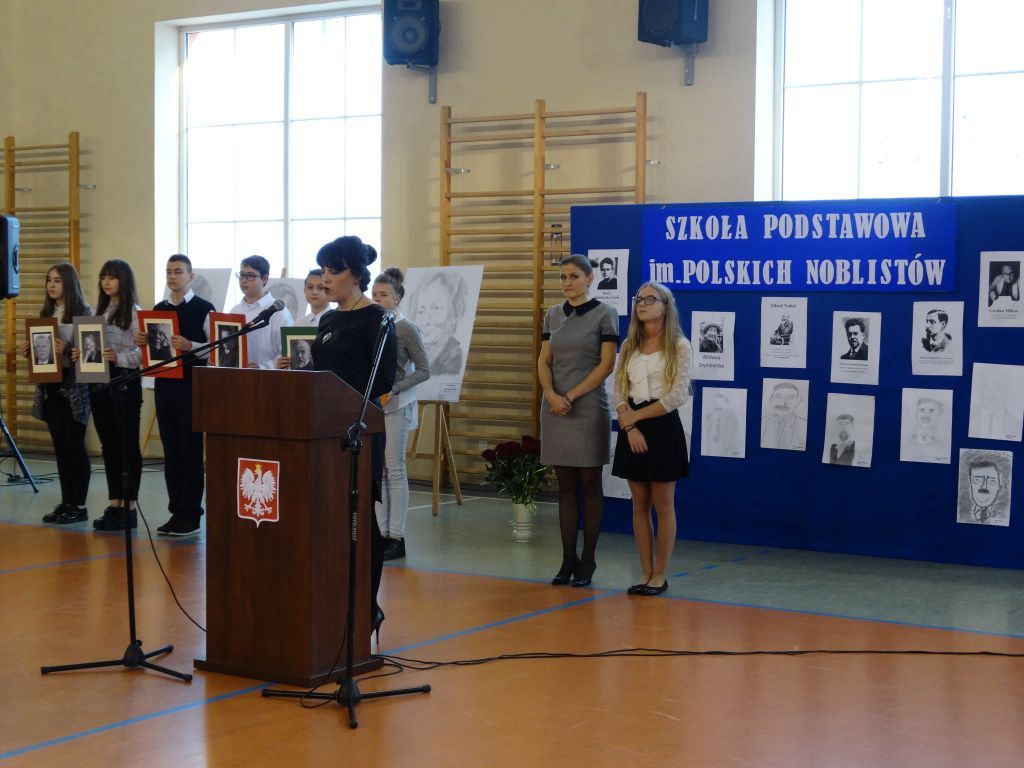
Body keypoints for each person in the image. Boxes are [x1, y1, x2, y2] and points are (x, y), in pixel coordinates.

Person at [310, 236, 397, 642]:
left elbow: (383, 379)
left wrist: (343, 404)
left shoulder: (378, 320)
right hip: (323, 433)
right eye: (323, 270)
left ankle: (368, 605)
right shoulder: (327, 321)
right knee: (330, 518)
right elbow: (322, 376)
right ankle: (334, 604)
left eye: (334, 271)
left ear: (357, 275)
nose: (325, 278)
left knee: (361, 519)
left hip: (360, 431)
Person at [538, 254, 618, 587]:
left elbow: (606, 365)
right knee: (566, 487)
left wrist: (570, 396)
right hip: (555, 407)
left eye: (573, 276)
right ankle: (567, 558)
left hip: (586, 408)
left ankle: (588, 559)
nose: (567, 282)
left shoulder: (605, 313)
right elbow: (544, 361)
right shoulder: (553, 314)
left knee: (590, 484)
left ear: (589, 279)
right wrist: (552, 395)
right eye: (563, 277)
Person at [612, 282, 691, 597]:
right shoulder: (629, 343)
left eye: (649, 299)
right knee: (639, 504)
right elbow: (619, 390)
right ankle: (645, 572)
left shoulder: (679, 345)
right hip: (632, 429)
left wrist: (635, 418)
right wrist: (630, 426)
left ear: (665, 305)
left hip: (661, 427)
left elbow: (677, 395)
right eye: (638, 299)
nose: (642, 304)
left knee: (663, 505)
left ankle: (660, 574)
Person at [134, 254, 215, 537]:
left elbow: (215, 346)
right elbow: (155, 350)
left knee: (189, 451)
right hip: (165, 385)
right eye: (168, 271)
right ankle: (176, 511)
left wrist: (190, 345)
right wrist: (142, 340)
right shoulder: (159, 309)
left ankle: (191, 515)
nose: (172, 276)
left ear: (190, 276)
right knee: (171, 452)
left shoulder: (204, 308)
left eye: (178, 271)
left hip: (191, 386)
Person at [72, 258, 143, 532]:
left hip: (124, 383)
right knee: (108, 445)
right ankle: (115, 503)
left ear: (124, 280)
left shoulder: (135, 313)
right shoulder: (99, 312)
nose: (106, 282)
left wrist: (118, 357)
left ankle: (130, 507)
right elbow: (91, 347)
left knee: (127, 444)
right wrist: (80, 353)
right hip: (99, 382)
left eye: (112, 277)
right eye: (103, 277)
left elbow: (143, 355)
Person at [19, 263, 92, 524]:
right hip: (51, 388)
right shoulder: (47, 313)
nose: (51, 285)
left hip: (73, 391)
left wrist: (69, 349)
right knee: (60, 448)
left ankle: (79, 504)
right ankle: (66, 501)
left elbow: (90, 356)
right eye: (49, 280)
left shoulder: (83, 313)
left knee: (75, 447)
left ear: (69, 283)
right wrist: (32, 351)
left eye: (58, 280)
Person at [371, 267, 432, 561]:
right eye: (374, 294)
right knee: (379, 470)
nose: (378, 299)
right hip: (374, 405)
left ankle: (396, 535)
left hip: (398, 404)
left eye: (384, 294)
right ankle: (381, 532)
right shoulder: (372, 324)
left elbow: (424, 370)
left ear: (397, 298)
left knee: (395, 469)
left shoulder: (406, 328)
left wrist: (395, 388)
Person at [228, 255, 293, 369]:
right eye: (242, 275)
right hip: (237, 375)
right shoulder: (235, 310)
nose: (244, 280)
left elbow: (287, 352)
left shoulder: (277, 311)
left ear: (265, 279)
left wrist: (263, 367)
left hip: (268, 377)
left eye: (250, 276)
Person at [408, 270, 466, 375]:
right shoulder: (411, 349)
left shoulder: (452, 355)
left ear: (454, 315)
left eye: (436, 309)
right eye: (421, 311)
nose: (425, 321)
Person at [275, 268, 332, 370]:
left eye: (320, 287)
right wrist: (283, 364)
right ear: (304, 290)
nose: (314, 292)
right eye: (310, 287)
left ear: (329, 289)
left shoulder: (336, 321)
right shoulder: (298, 324)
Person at [760, 381, 806, 450]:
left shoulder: (804, 425)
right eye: (778, 396)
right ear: (770, 400)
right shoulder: (763, 421)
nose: (782, 403)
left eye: (790, 398)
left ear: (797, 402)